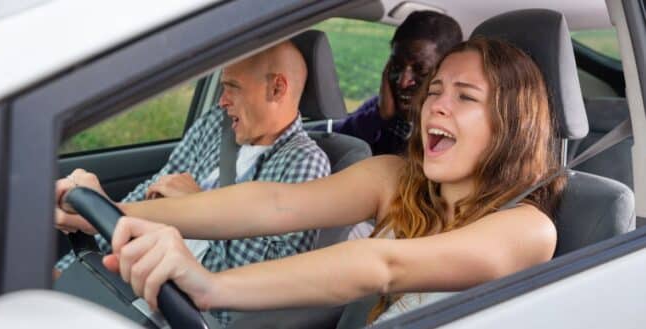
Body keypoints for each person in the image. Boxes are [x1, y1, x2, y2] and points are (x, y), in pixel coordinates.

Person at [56, 37, 566, 324]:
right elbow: (274, 204)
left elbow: (382, 265)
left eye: (465, 96)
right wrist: (109, 210)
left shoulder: (527, 229)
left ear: (511, 122)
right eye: (435, 90)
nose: (436, 103)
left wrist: (210, 286)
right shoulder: (396, 179)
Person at [55, 41, 330, 326]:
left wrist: (198, 202)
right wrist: (74, 263)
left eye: (232, 87)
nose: (222, 101)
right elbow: (149, 193)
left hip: (193, 316)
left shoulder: (305, 163)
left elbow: (271, 284)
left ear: (277, 89)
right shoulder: (216, 125)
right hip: (132, 283)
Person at [324, 11, 462, 156]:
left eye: (420, 69)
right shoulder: (383, 105)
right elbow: (336, 144)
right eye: (396, 66)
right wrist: (379, 116)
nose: (403, 82)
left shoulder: (450, 131)